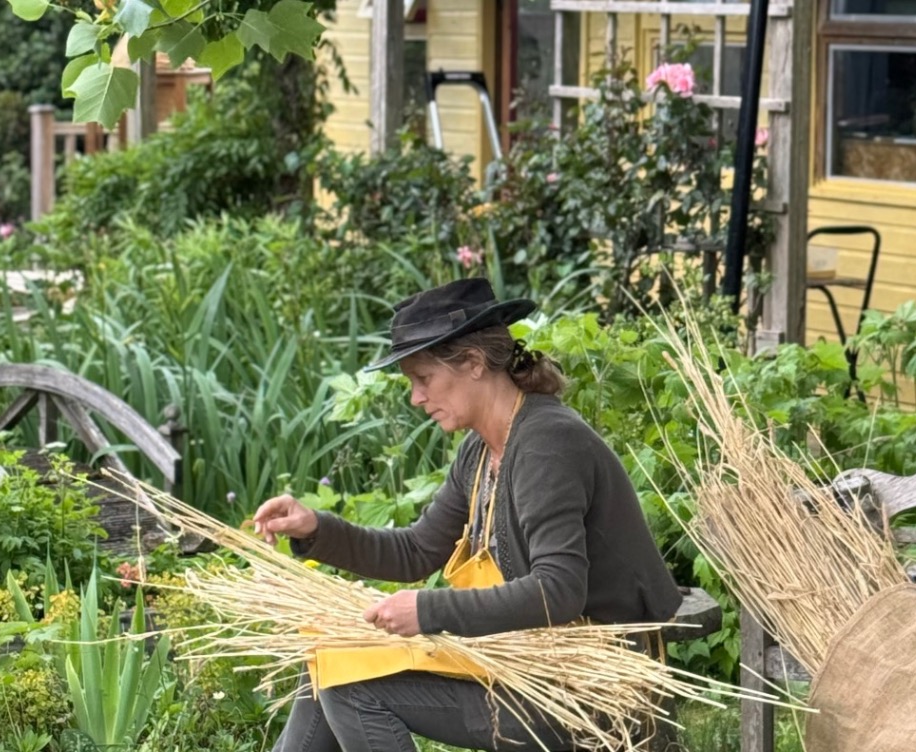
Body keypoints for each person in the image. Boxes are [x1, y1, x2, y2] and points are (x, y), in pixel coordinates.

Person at [252, 278, 683, 752]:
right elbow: (418, 550)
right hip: (526, 658)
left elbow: (558, 591)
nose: (416, 397)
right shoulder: (481, 450)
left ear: (474, 363)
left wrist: (427, 610)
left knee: (354, 688)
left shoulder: (546, 445)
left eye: (423, 378)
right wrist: (317, 527)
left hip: (586, 688)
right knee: (329, 661)